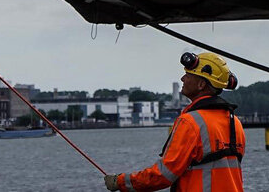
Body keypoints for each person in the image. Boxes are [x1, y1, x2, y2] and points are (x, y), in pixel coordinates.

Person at [104, 51, 245, 192]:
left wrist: (121, 181)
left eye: (188, 75)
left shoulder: (190, 122)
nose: (183, 78)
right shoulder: (235, 122)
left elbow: (163, 175)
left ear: (201, 84)